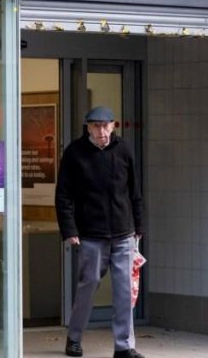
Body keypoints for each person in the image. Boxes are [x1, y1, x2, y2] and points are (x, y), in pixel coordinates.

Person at [55, 106, 145, 358]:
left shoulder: (124, 149)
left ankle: (124, 346)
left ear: (113, 126)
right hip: (91, 234)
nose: (101, 131)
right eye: (96, 126)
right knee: (88, 285)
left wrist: (139, 225)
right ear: (88, 128)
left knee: (124, 291)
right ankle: (74, 338)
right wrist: (69, 229)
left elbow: (135, 191)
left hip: (123, 233)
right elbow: (63, 195)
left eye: (105, 126)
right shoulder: (75, 153)